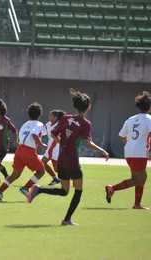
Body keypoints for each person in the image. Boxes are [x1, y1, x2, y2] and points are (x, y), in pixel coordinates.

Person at [28, 89, 109, 226]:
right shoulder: (85, 123)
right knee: (78, 190)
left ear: (76, 106)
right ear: (88, 107)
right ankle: (66, 220)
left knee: (65, 191)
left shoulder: (66, 118)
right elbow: (88, 143)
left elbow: (53, 133)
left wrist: (62, 143)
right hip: (72, 160)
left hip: (61, 159)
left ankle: (38, 189)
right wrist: (103, 151)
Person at [105, 91, 151, 210]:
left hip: (129, 152)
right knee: (140, 178)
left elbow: (121, 135)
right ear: (149, 108)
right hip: (140, 153)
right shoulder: (149, 119)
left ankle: (137, 204)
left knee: (138, 178)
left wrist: (131, 143)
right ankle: (112, 188)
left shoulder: (130, 119)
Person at [0, 102, 47, 201]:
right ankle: (25, 188)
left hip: (20, 150)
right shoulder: (39, 124)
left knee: (15, 174)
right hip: (29, 151)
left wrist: (18, 142)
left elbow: (23, 135)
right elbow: (35, 135)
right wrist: (42, 145)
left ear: (28, 114)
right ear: (40, 114)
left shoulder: (25, 124)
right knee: (41, 171)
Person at [42, 109, 66, 186]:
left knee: (43, 163)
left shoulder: (60, 125)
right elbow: (42, 132)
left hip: (56, 148)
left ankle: (56, 178)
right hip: (50, 148)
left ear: (55, 117)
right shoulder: (48, 124)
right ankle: (69, 178)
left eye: (51, 115)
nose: (49, 116)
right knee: (56, 169)